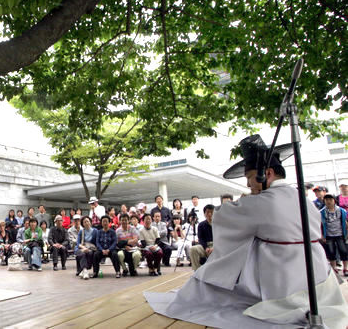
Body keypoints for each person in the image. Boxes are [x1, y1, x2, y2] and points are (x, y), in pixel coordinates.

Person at [145, 134, 348, 328]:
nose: (248, 184)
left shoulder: (264, 201)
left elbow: (223, 216)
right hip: (318, 275)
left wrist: (242, 202)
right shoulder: (303, 198)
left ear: (267, 173)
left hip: (284, 276)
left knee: (205, 285)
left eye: (250, 177)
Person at [320, 194, 348, 275]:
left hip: (340, 234)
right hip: (328, 235)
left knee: (344, 251)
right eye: (326, 200)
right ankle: (334, 268)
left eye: (330, 199)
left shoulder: (342, 211)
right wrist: (322, 235)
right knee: (331, 251)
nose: (328, 201)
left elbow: (345, 223)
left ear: (334, 201)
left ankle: (345, 268)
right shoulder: (321, 212)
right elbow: (320, 225)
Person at [189, 205, 214, 271]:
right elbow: (201, 238)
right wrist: (206, 248)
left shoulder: (219, 224)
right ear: (204, 214)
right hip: (205, 245)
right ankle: (197, 271)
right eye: (207, 212)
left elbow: (221, 238)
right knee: (193, 249)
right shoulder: (201, 225)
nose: (209, 214)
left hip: (216, 245)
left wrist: (214, 247)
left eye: (211, 212)